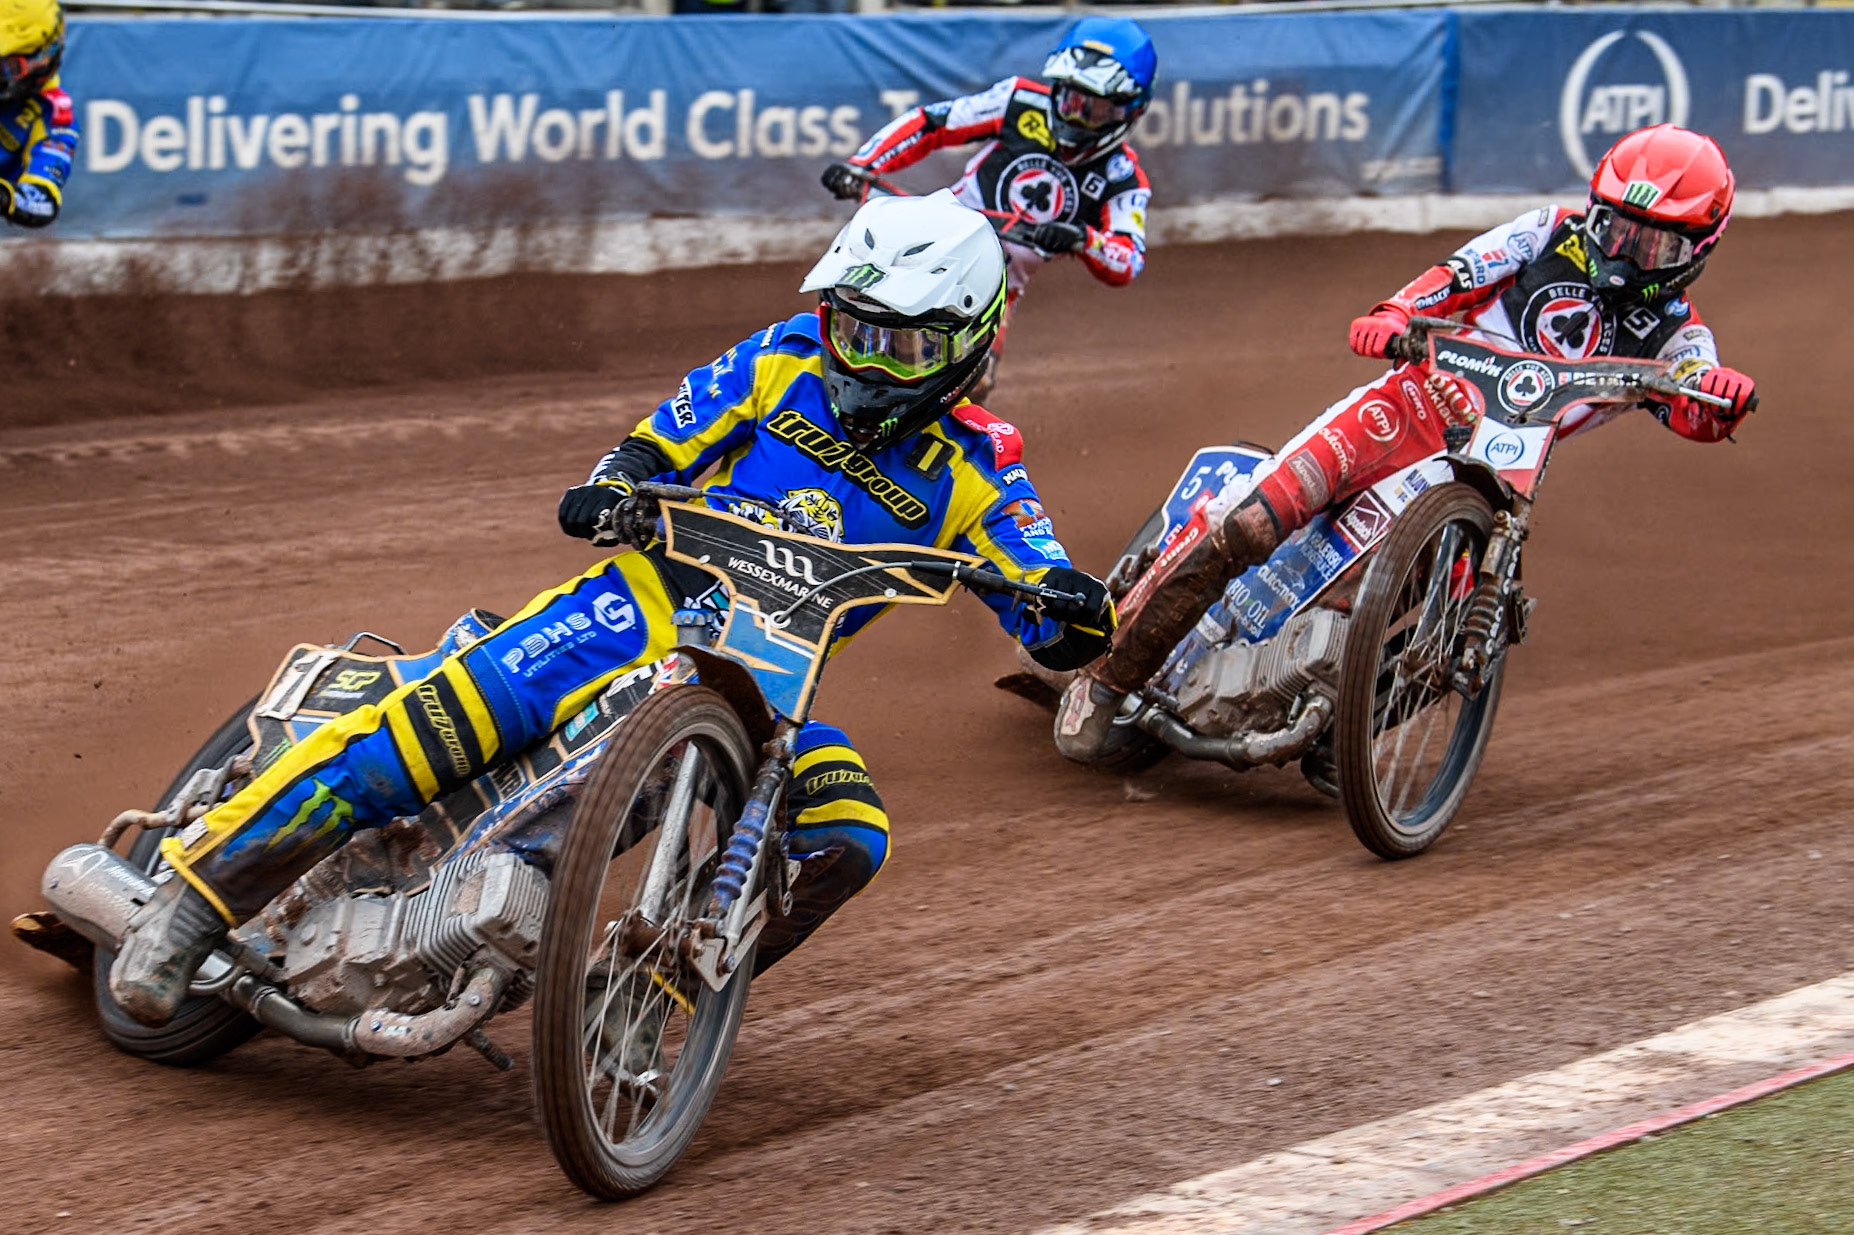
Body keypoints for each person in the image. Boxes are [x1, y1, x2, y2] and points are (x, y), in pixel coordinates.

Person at [108, 192, 1116, 1027]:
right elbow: (660, 438)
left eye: (896, 345)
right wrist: (616, 483)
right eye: (853, 328)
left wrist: (1070, 608)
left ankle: (648, 1000)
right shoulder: (784, 359)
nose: (862, 360)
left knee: (849, 834)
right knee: (433, 729)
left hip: (776, 688)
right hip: (639, 604)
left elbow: (1045, 591)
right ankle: (191, 907)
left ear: (967, 338)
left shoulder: (983, 468)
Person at [1054, 123, 1759, 765]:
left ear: (1695, 253)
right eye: (1615, 224)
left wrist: (1719, 402)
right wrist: (1396, 314)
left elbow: (1694, 402)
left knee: (1446, 616)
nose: (1622, 249)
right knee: (1252, 521)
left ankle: (1340, 731)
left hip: (1495, 474)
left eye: (1651, 241)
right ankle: (1108, 678)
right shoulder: (1549, 232)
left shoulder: (1680, 339)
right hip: (1408, 405)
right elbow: (1461, 273)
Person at [822, 16, 1156, 399]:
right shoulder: (1018, 101)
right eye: (1068, 99)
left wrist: (1082, 239)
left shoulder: (1123, 178)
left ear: (1128, 110)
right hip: (933, 241)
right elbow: (934, 123)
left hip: (993, 290)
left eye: (1093, 108)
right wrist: (864, 164)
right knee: (859, 313)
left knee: (969, 383)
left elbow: (1128, 260)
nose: (1075, 115)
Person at [0, 0, 74, 228]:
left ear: (43, 59)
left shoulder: (54, 116)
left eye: (7, 66)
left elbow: (43, 198)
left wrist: (4, 196)